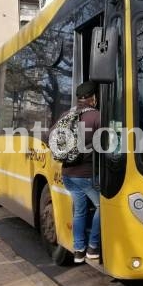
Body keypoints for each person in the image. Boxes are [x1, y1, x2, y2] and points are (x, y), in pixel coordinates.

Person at [55, 81, 101, 264]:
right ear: (94, 98)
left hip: (67, 174)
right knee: (103, 207)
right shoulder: (97, 117)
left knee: (80, 211)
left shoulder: (67, 115)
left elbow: (49, 136)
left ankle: (78, 250)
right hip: (86, 175)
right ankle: (93, 247)